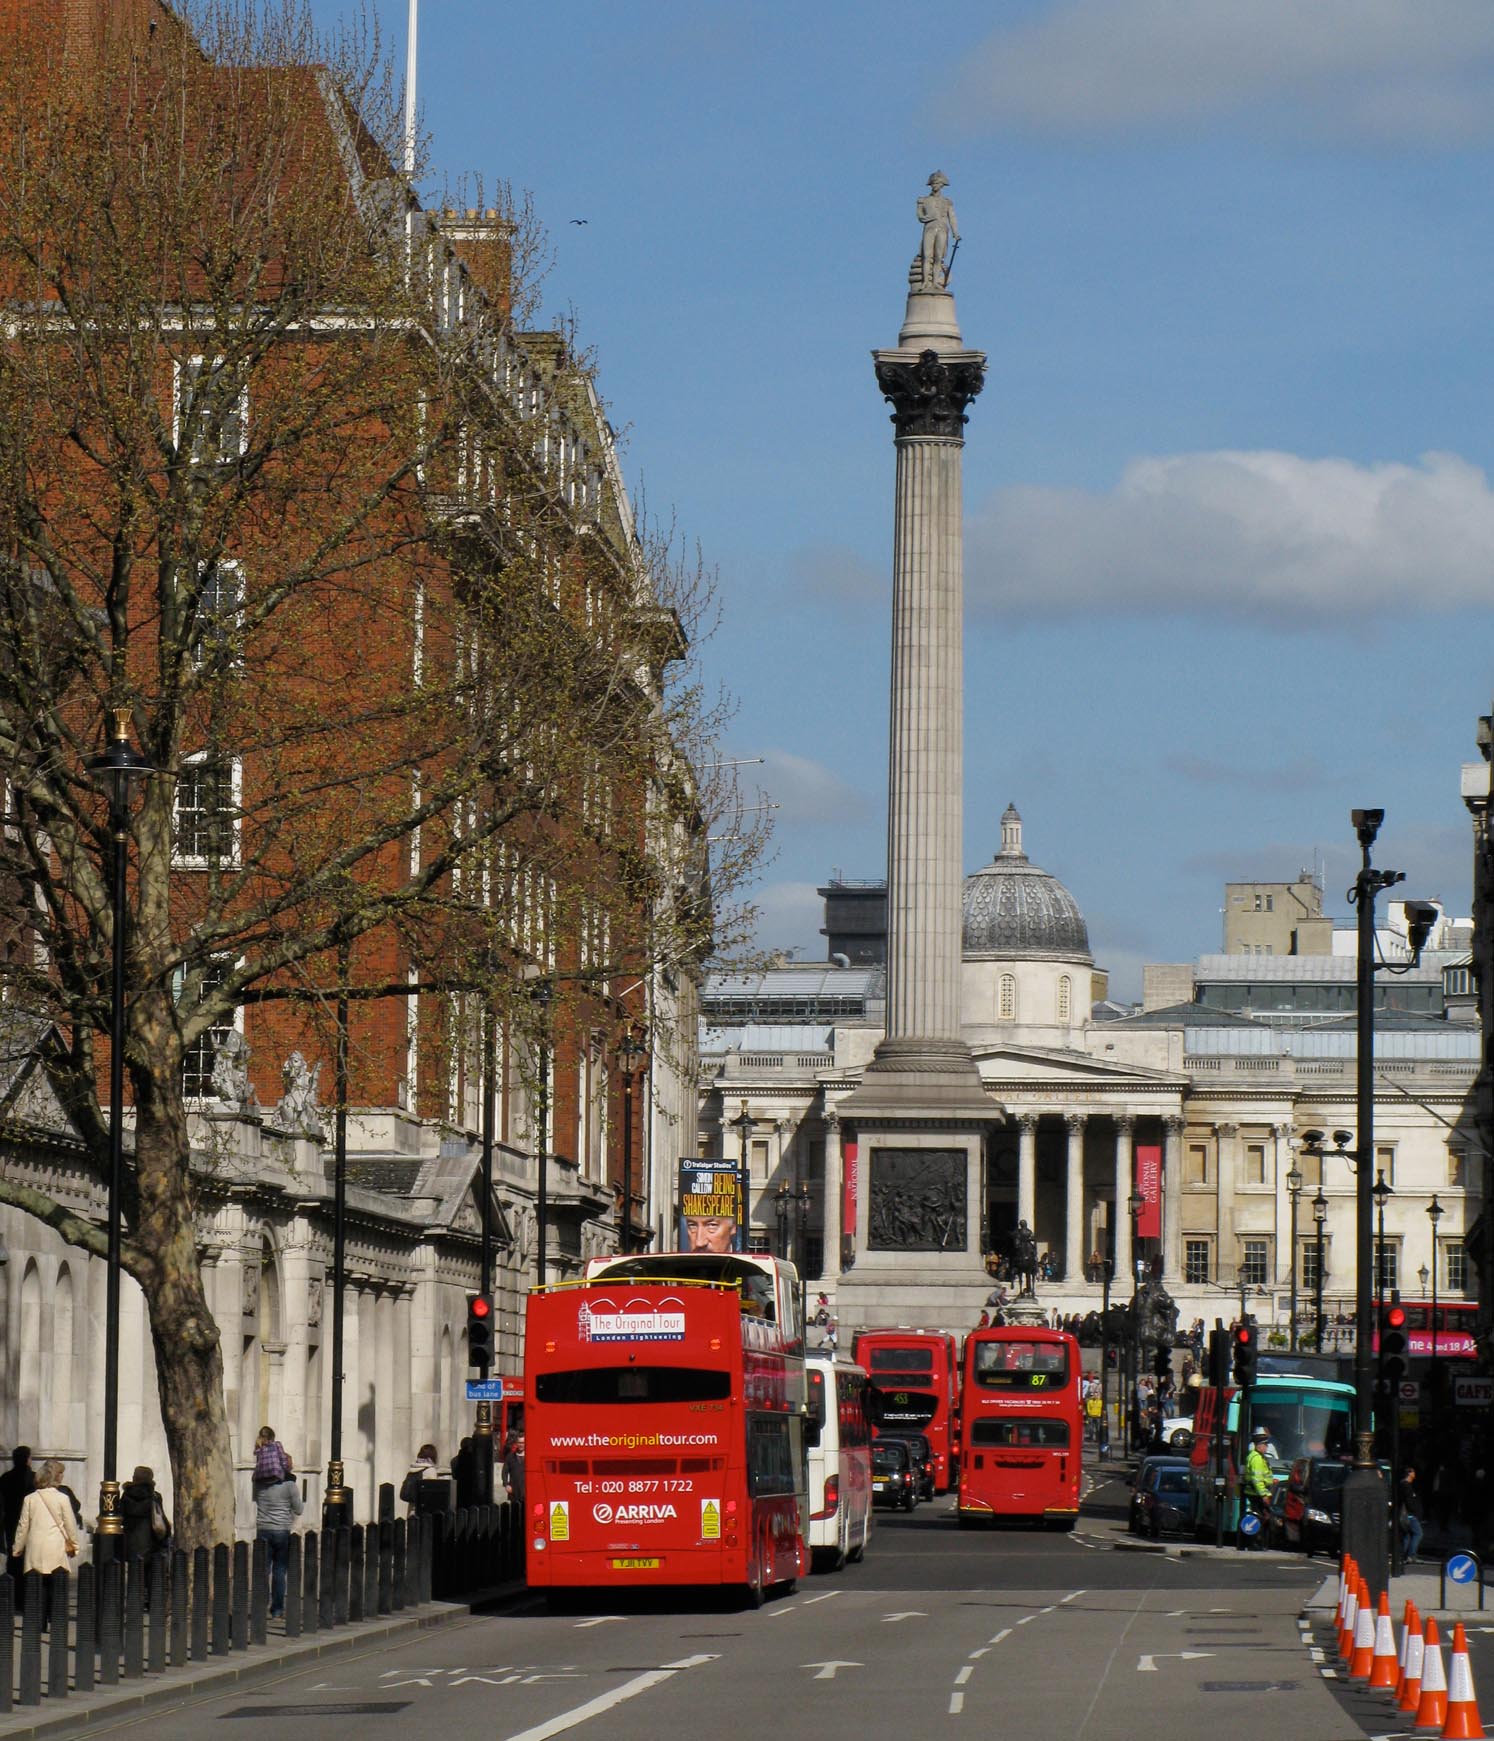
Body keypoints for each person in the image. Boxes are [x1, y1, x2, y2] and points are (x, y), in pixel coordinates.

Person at [11, 1461, 78, 1576]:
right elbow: (70, 1525)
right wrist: (74, 1545)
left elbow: (23, 1526)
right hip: (55, 1546)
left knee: (35, 1583)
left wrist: (17, 1548)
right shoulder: (63, 1498)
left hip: (35, 1547)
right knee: (55, 1581)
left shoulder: (29, 1499)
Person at [254, 1465, 302, 1619]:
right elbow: (299, 1509)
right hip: (281, 1530)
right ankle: (277, 1610)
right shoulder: (290, 1486)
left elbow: (256, 1499)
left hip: (263, 1530)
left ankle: (261, 1607)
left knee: (263, 1570)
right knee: (279, 1571)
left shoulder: (259, 1484)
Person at [120, 1466, 170, 1564]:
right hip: (151, 1545)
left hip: (130, 1544)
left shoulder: (126, 1496)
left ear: (134, 1478)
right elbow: (162, 1522)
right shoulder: (155, 1497)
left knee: (134, 1571)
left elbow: (121, 1517)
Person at [0, 1446, 35, 1570]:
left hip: (11, 1520)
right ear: (27, 1459)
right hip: (30, 1521)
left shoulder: (5, 1478)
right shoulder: (34, 1478)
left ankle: (13, 1575)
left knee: (13, 1551)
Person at [1241, 1427, 1273, 1550]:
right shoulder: (1257, 1459)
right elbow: (1257, 1479)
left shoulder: (1256, 1456)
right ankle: (1256, 1543)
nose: (1266, 1447)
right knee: (1260, 1518)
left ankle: (1257, 1542)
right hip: (1256, 1493)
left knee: (1259, 1517)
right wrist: (1264, 1495)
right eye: (1265, 1445)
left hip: (1255, 1492)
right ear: (1259, 1446)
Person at [399, 1443, 442, 1512]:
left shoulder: (413, 1468)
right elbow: (433, 1493)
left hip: (411, 1508)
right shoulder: (430, 1470)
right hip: (424, 1510)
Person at [1399, 1465, 1425, 1563]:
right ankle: (1411, 1555)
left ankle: (1403, 1556)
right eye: (1413, 1472)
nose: (1415, 1474)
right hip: (1410, 1514)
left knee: (1408, 1535)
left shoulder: (1405, 1485)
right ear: (1409, 1473)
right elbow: (1409, 1501)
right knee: (1418, 1533)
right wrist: (1414, 1511)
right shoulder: (1406, 1486)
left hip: (1407, 1514)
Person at [502, 1434, 526, 1511]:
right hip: (514, 1490)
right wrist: (506, 1484)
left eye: (523, 1443)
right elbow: (504, 1472)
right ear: (516, 1443)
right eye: (519, 1442)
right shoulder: (510, 1457)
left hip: (526, 1490)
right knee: (514, 1512)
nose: (521, 1445)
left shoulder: (530, 1457)